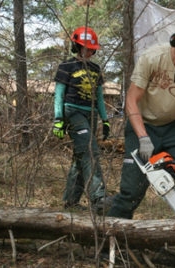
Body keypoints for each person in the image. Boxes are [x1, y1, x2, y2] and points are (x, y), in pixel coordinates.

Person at [107, 16, 175, 267]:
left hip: (174, 125)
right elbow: (132, 100)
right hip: (142, 123)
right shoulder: (152, 58)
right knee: (132, 190)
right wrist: (143, 137)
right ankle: (109, 245)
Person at [53, 26, 112, 211]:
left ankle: (70, 201)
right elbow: (59, 94)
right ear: (77, 46)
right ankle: (99, 197)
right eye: (87, 48)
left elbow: (100, 97)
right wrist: (58, 119)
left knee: (80, 157)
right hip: (73, 112)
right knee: (90, 151)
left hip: (91, 114)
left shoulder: (95, 68)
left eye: (92, 49)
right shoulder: (66, 66)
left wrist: (105, 119)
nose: (90, 52)